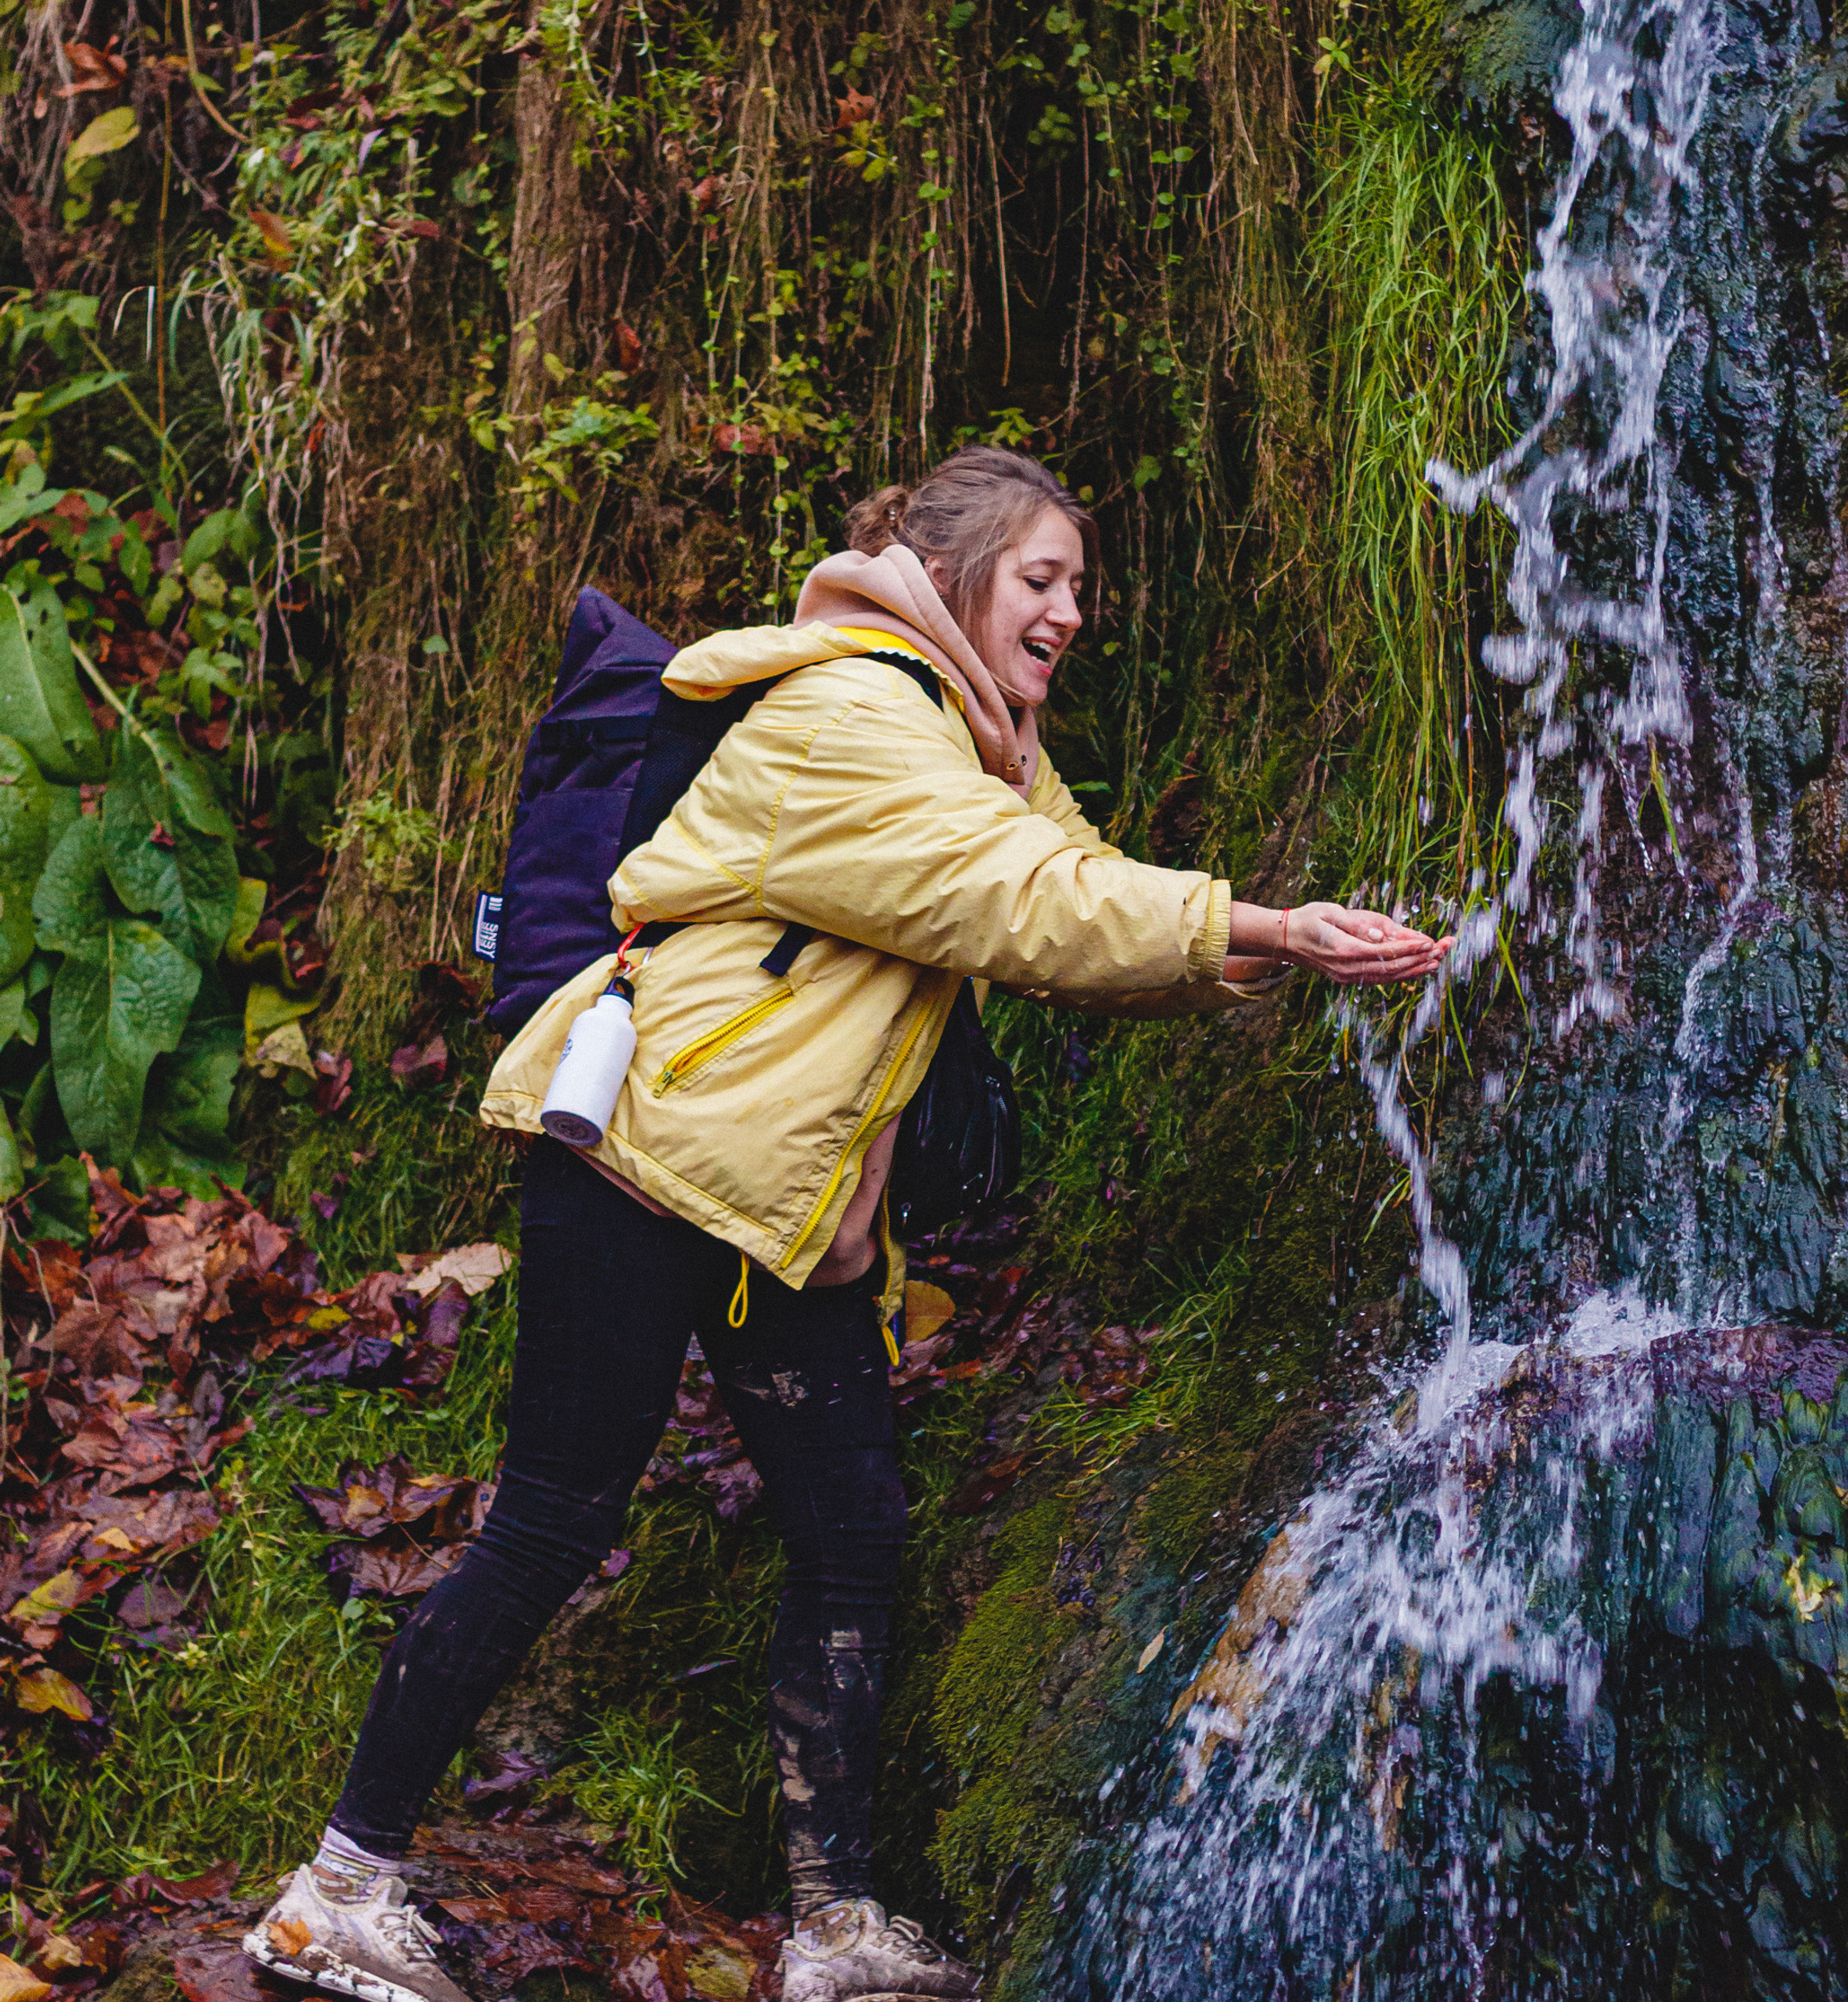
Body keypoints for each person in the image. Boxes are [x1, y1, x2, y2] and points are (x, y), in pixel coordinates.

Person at [242, 447, 1449, 2002]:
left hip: (785, 1204)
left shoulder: (973, 741)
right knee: (554, 1516)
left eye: (1077, 584)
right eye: (1040, 579)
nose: (1069, 611)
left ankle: (834, 1924)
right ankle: (331, 1890)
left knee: (853, 1528)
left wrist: (1247, 941)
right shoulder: (856, 715)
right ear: (950, 577)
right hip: (643, 1154)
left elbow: (1069, 883)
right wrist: (1262, 923)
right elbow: (1008, 896)